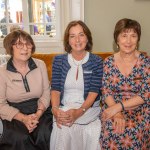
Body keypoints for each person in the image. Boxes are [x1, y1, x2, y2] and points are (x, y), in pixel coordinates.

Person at [50, 20, 103, 150]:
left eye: (81, 35)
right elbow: (55, 90)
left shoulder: (96, 61)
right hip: (64, 107)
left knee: (91, 128)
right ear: (68, 40)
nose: (77, 40)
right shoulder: (59, 61)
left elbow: (93, 92)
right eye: (72, 36)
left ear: (87, 37)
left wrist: (79, 112)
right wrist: (55, 110)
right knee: (63, 127)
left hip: (88, 108)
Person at [100, 18, 150, 149]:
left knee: (133, 130)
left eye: (133, 36)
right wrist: (116, 112)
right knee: (112, 128)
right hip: (113, 107)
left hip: (139, 108)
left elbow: (145, 94)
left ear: (138, 40)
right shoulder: (108, 62)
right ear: (117, 40)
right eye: (124, 36)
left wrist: (119, 107)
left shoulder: (146, 62)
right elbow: (106, 91)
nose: (128, 41)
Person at [0, 30, 52, 150]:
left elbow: (46, 92)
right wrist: (24, 118)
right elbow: (1, 104)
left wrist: (37, 115)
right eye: (19, 44)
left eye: (28, 44)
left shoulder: (40, 65)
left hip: (40, 109)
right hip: (15, 113)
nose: (25, 48)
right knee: (20, 137)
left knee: (44, 133)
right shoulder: (2, 71)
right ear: (10, 48)